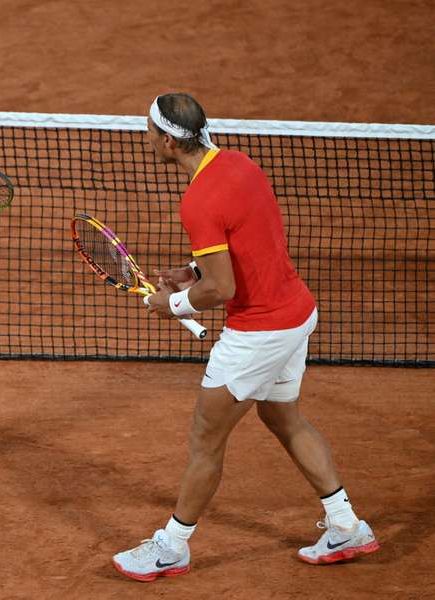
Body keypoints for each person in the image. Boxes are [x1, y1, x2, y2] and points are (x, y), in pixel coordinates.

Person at [112, 93, 379, 581]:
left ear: (168, 142)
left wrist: (167, 302)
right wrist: (192, 270)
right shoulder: (239, 164)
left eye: (150, 134)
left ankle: (172, 547)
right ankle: (347, 525)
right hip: (298, 311)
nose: (147, 140)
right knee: (283, 417)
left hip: (260, 332)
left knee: (205, 440)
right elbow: (247, 239)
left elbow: (224, 288)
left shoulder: (197, 202)